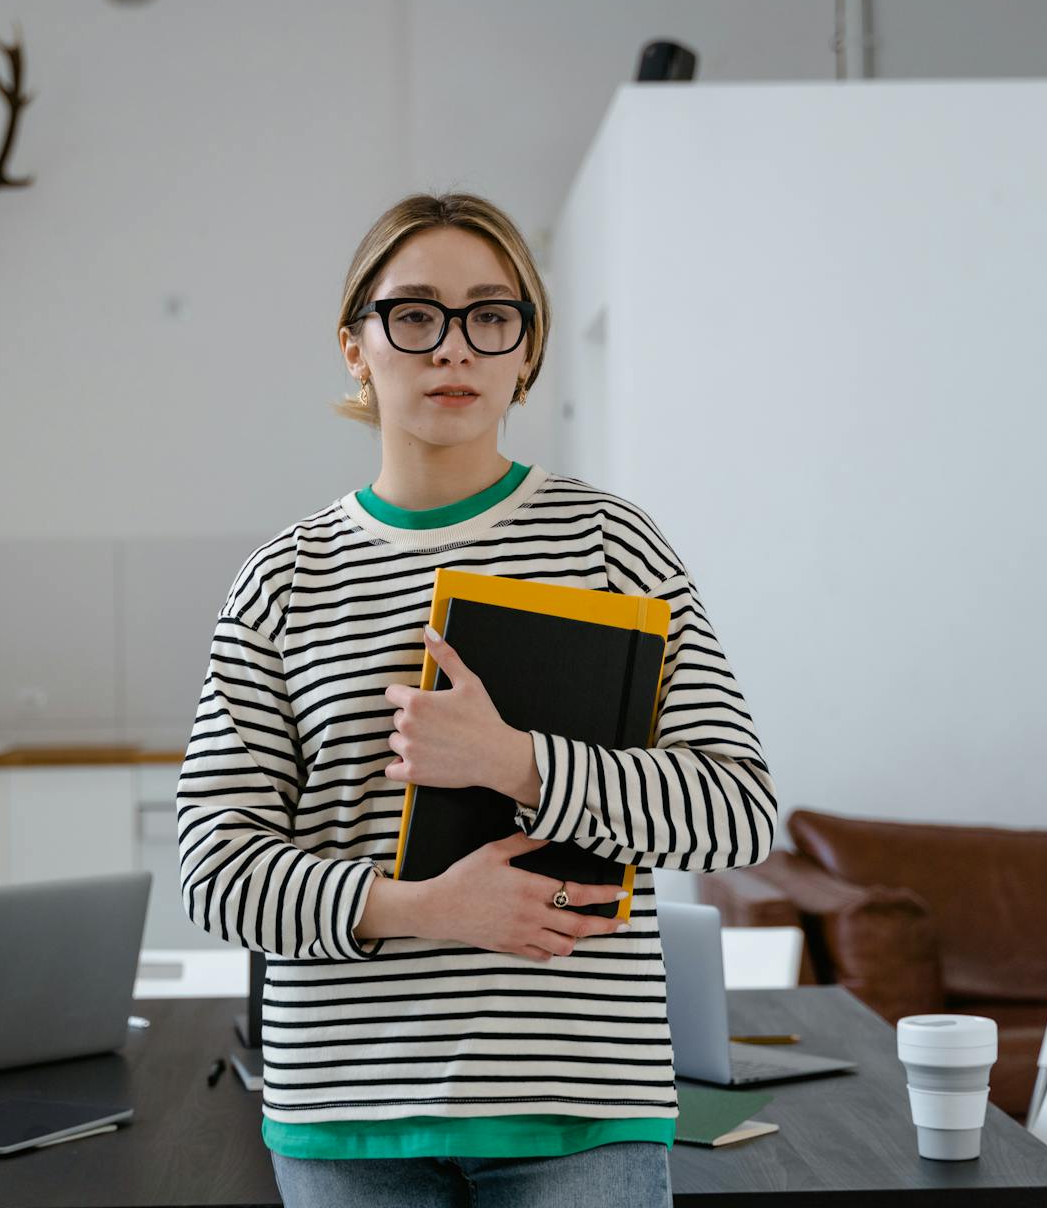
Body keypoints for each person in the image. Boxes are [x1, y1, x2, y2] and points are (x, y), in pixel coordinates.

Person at [176, 190, 778, 1208]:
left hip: (583, 1112)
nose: (453, 347)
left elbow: (736, 811)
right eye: (414, 314)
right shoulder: (283, 578)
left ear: (525, 353)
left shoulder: (610, 543)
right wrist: (422, 908)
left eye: (490, 315)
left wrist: (515, 762)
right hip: (347, 1118)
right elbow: (214, 868)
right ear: (356, 348)